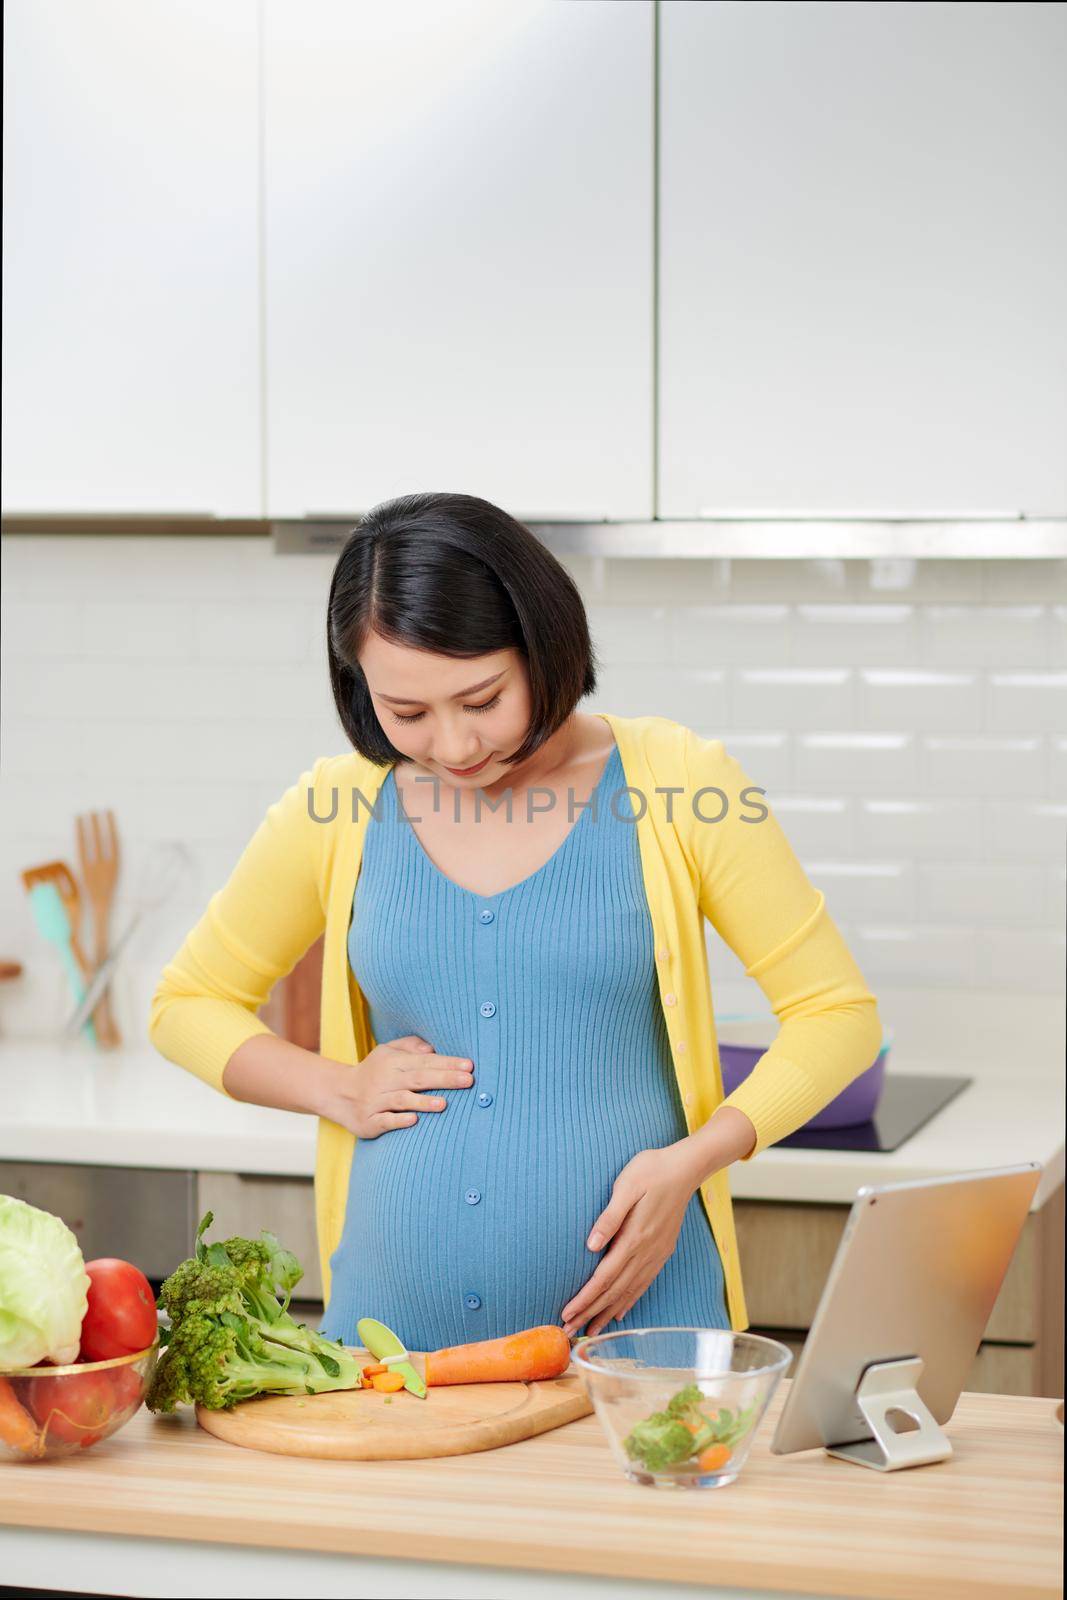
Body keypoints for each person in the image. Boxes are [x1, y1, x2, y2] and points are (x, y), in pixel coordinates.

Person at [150, 491, 882, 1350]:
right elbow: (186, 1004)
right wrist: (333, 1085)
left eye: (482, 698)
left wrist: (695, 1159)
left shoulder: (679, 784)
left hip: (642, 1343)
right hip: (394, 1344)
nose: (455, 747)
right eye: (407, 713)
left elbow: (837, 1015)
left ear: (543, 643)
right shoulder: (337, 804)